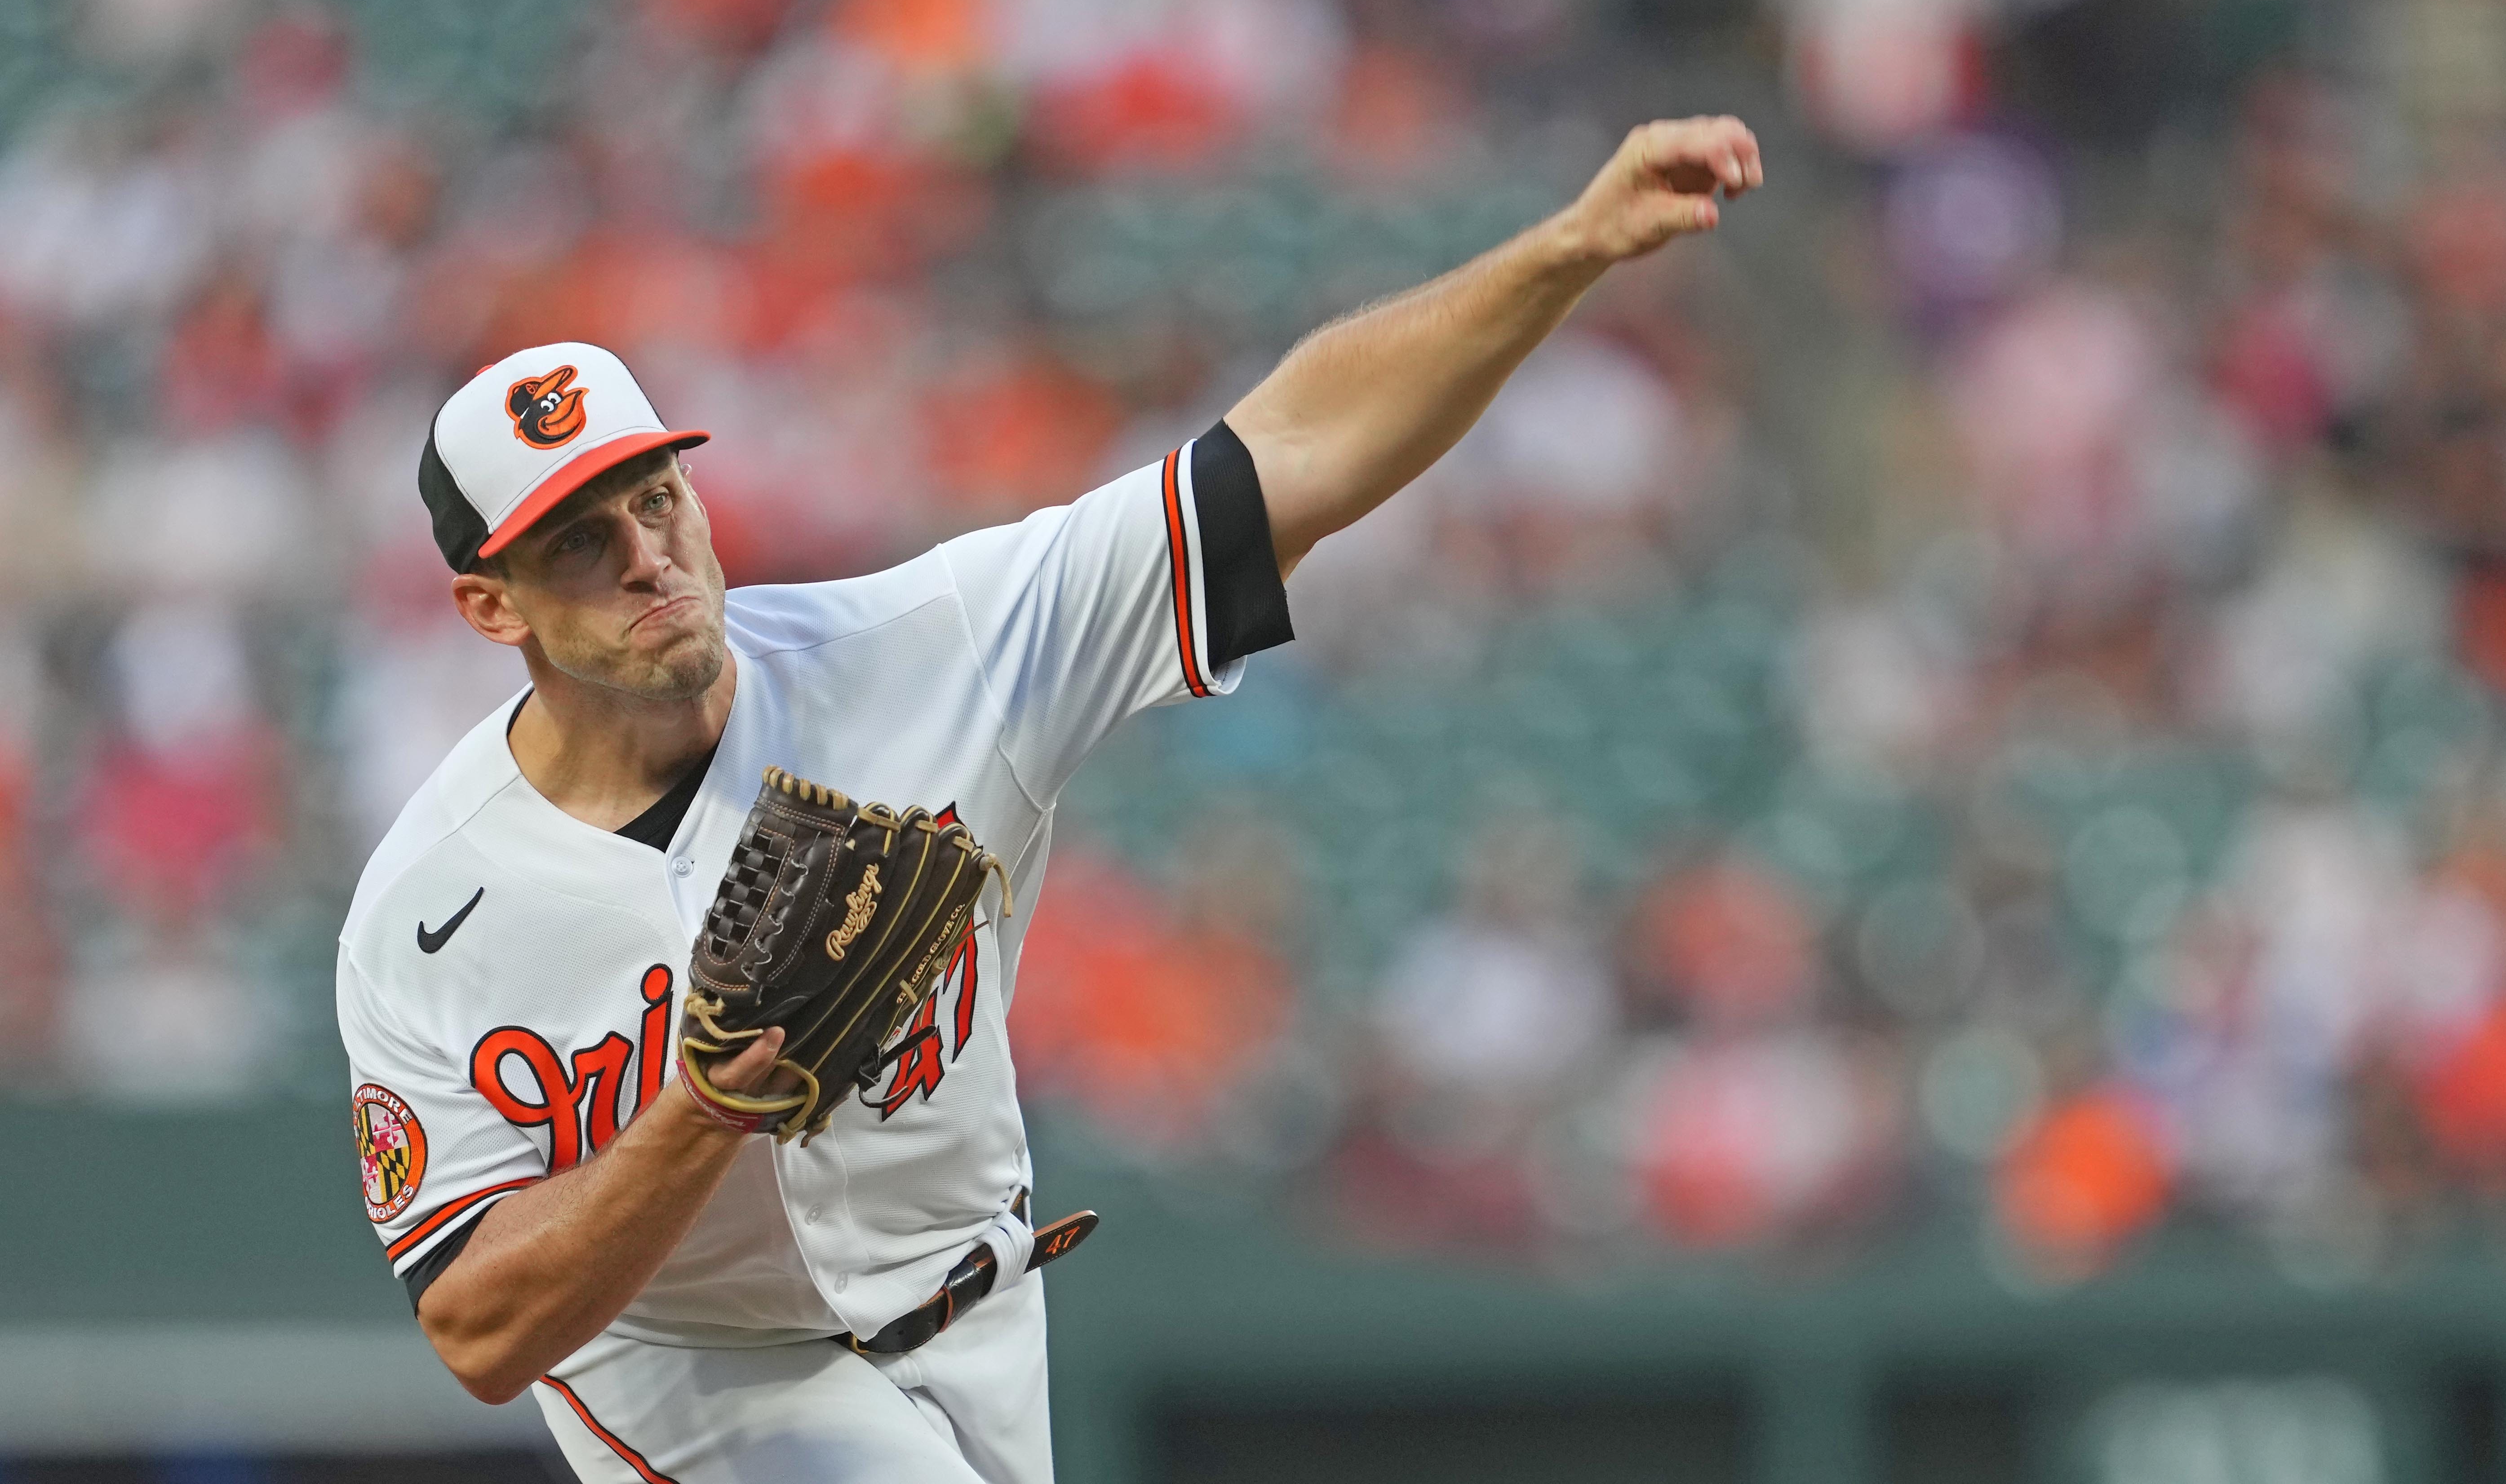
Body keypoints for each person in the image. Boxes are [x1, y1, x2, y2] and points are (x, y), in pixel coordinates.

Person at [336, 118, 1761, 1483]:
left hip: (977, 1312)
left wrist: (1568, 248)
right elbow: (477, 1328)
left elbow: (1290, 457)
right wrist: (699, 1113)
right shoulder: (425, 917)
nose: (650, 554)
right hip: (691, 1368)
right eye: (584, 542)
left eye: (658, 499)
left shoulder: (926, 651)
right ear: (486, 604)